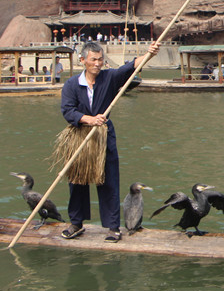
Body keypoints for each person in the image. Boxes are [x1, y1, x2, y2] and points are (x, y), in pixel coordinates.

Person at [60, 40, 159, 242]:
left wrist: (149, 54)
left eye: (100, 60)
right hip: (80, 136)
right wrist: (89, 119)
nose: (98, 63)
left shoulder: (109, 78)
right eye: (93, 59)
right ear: (83, 60)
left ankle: (113, 227)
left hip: (103, 136)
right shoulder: (71, 84)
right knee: (77, 180)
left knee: (108, 180)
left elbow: (130, 67)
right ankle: (76, 224)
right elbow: (68, 110)